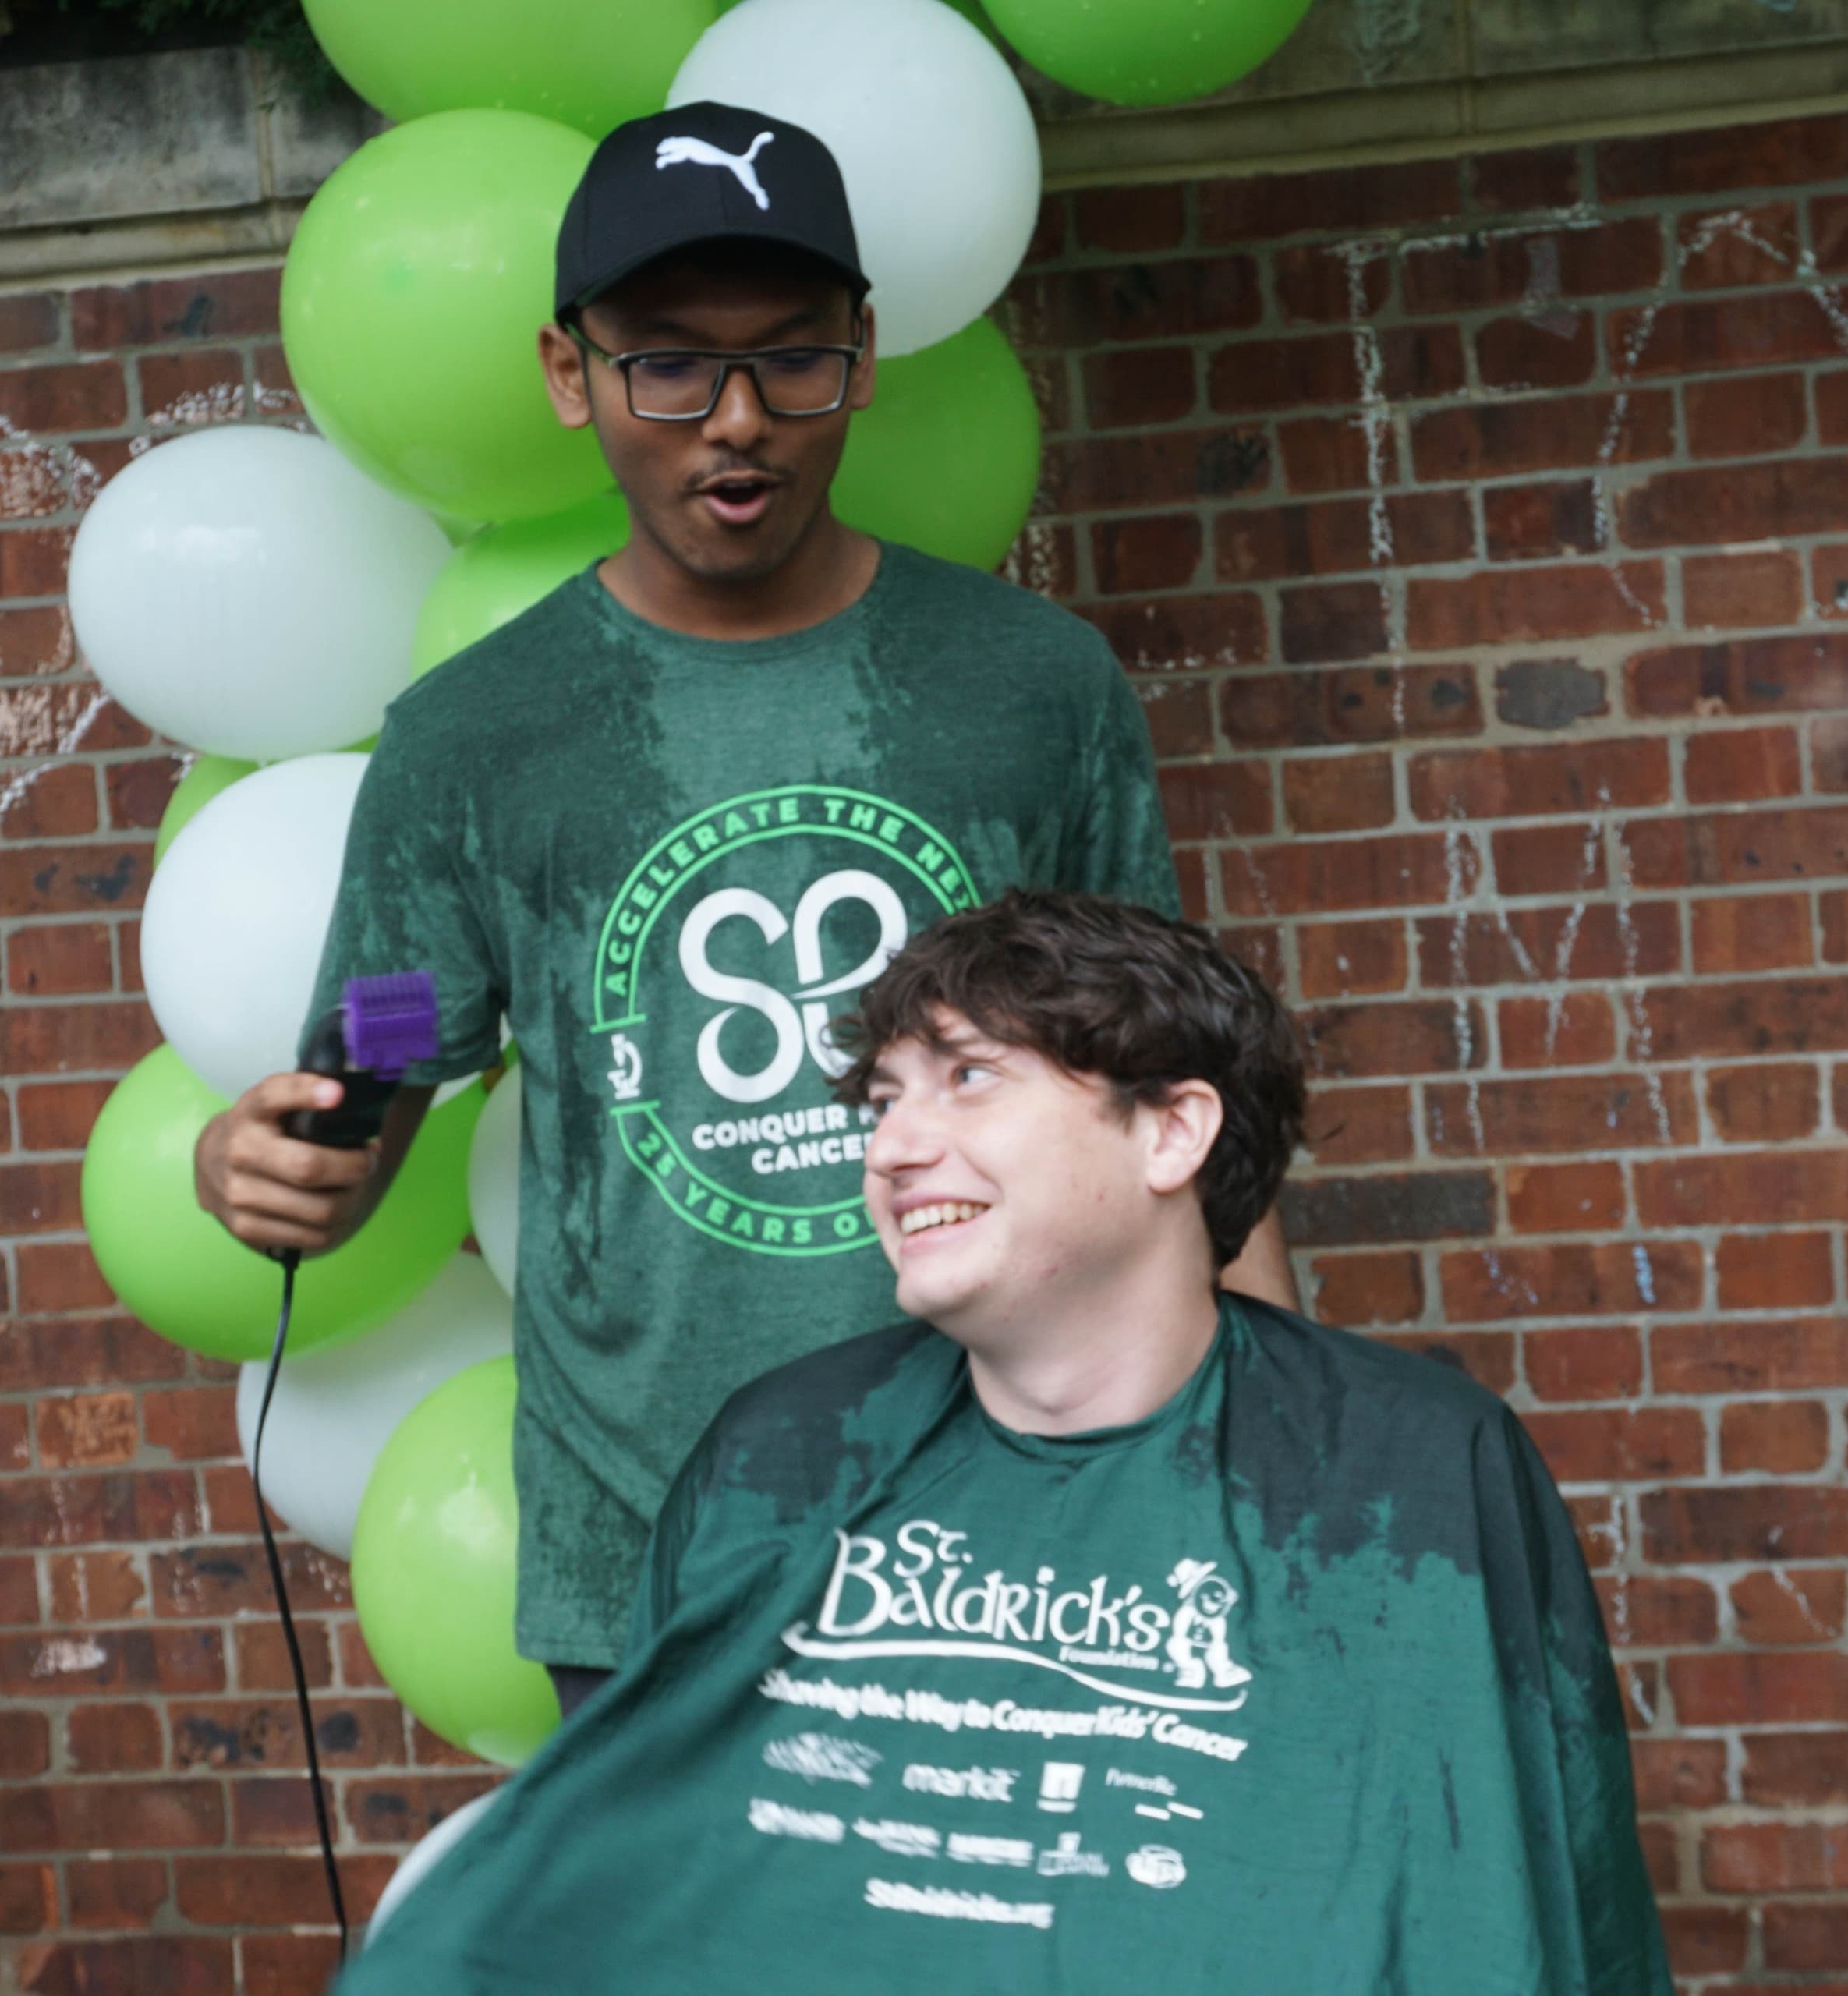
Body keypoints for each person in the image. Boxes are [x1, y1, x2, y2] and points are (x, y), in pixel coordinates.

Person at [195, 101, 1294, 1708]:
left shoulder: (1031, 687)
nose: (736, 421)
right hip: (656, 1567)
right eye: (666, 363)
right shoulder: (472, 743)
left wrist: (1275, 1454)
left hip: (1026, 1533)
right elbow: (382, 1055)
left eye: (791, 358)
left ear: (863, 350)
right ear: (570, 374)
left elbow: (1184, 1104)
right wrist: (284, 1155)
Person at [341, 891, 1671, 1993]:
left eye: (969, 1079)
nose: (895, 1146)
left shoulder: (1411, 1473)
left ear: (1172, 1129)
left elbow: (1530, 1903)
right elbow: (635, 1875)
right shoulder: (785, 1457)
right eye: (884, 1099)